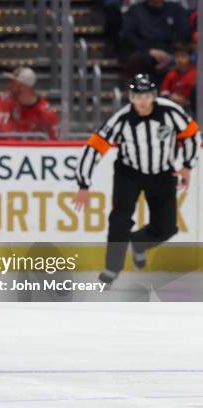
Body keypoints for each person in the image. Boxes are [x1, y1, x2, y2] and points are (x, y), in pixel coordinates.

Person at [74, 74, 200, 284]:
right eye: (137, 96)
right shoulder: (121, 119)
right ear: (130, 97)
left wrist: (187, 165)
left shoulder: (170, 112)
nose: (142, 101)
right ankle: (112, 269)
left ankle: (139, 243)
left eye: (147, 96)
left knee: (167, 228)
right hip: (129, 173)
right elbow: (94, 148)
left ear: (154, 96)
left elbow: (192, 134)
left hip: (162, 173)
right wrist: (83, 184)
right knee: (119, 221)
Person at [120, 0, 190, 84]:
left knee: (181, 60)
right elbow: (128, 35)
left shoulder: (176, 9)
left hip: (171, 53)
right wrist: (149, 50)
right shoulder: (135, 11)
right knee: (138, 60)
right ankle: (138, 92)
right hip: (145, 51)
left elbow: (183, 35)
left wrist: (170, 54)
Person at [0, 66, 60, 140]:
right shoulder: (5, 102)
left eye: (13, 83)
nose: (9, 86)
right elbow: (4, 134)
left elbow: (55, 141)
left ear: (24, 87)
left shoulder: (45, 112)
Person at [160, 42, 196, 110]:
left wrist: (189, 101)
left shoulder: (196, 74)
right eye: (177, 56)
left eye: (183, 56)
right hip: (173, 105)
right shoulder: (171, 73)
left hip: (190, 107)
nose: (179, 59)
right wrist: (170, 97)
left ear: (190, 57)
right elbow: (163, 91)